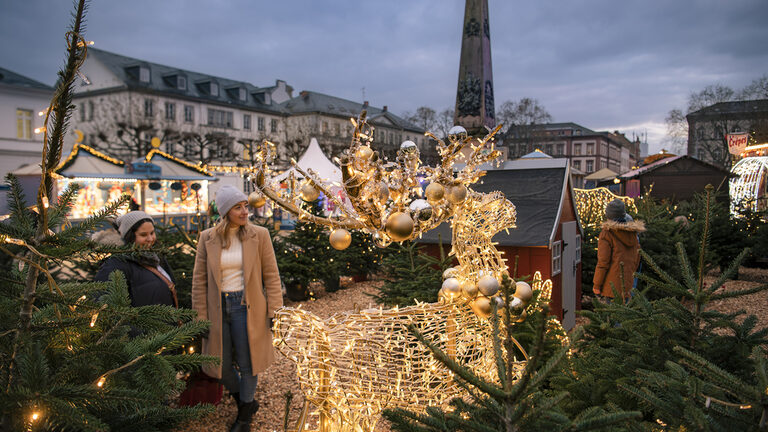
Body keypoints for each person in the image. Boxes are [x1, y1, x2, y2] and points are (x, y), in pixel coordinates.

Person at [191, 186, 283, 432]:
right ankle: (246, 401)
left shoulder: (259, 235)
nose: (245, 212)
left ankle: (244, 415)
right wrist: (200, 317)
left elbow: (272, 276)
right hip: (217, 309)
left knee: (249, 362)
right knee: (218, 365)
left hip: (247, 307)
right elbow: (199, 282)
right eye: (238, 207)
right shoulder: (207, 238)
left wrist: (275, 311)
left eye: (245, 206)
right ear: (225, 212)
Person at [94, 211, 177, 308]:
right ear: (129, 236)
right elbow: (105, 303)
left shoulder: (156, 257)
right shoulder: (116, 264)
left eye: (152, 233)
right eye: (143, 235)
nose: (150, 239)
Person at [592, 199, 645, 302]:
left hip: (611, 286)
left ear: (608, 216)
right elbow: (637, 257)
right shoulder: (633, 233)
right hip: (628, 285)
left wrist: (597, 285)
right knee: (625, 315)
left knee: (612, 316)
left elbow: (603, 262)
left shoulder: (607, 233)